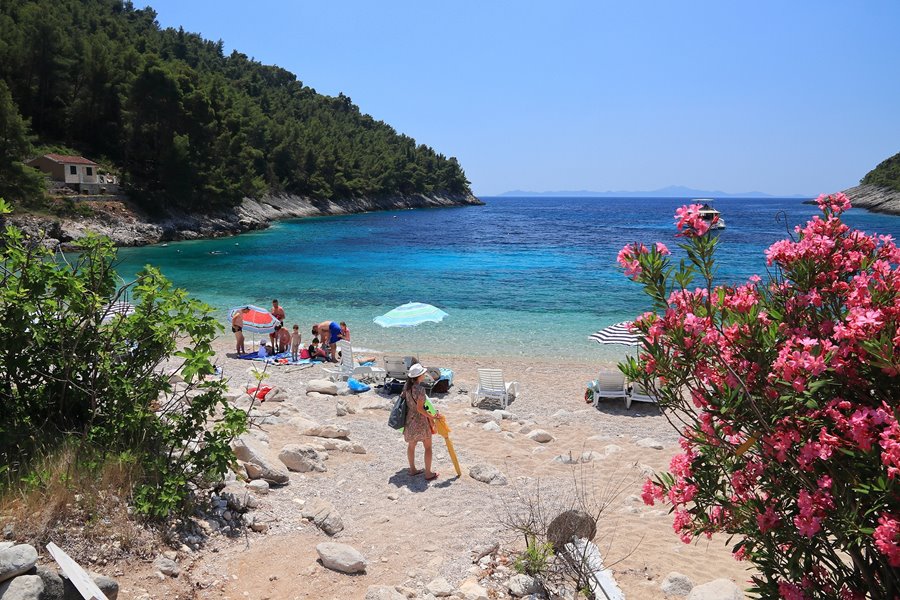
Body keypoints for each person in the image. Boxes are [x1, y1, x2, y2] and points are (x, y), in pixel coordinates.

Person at [403, 363, 440, 481]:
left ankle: (413, 469)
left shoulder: (407, 386)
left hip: (409, 419)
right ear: (419, 376)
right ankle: (428, 473)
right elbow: (420, 408)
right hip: (420, 421)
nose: (425, 374)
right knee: (428, 447)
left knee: (411, 445)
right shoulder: (420, 389)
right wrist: (433, 417)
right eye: (423, 373)